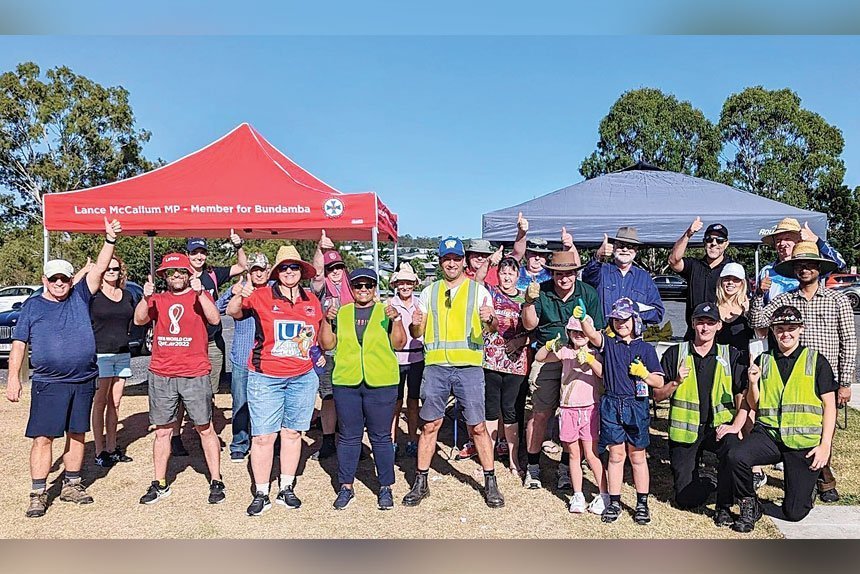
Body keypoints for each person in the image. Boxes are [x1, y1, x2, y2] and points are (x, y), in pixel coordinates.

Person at [6, 217, 121, 518]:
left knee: (77, 433)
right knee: (43, 437)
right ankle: (38, 492)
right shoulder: (32, 306)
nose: (59, 283)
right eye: (54, 278)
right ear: (45, 280)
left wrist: (109, 240)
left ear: (71, 280)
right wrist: (13, 380)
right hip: (49, 383)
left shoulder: (80, 296)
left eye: (64, 279)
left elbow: (98, 268)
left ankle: (72, 484)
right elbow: (19, 344)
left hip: (83, 380)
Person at [401, 236, 505, 509]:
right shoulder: (429, 292)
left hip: (469, 367)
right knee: (430, 425)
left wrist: (490, 319)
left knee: (478, 427)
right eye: (446, 259)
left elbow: (492, 328)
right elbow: (417, 333)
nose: (451, 263)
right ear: (440, 262)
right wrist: (415, 325)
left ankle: (490, 481)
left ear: (463, 261)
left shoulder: (478, 291)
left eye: (456, 259)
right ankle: (420, 482)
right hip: (436, 367)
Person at [749, 241, 855, 503]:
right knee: (798, 428)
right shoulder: (785, 300)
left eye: (809, 264)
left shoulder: (837, 300)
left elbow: (849, 341)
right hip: (791, 374)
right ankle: (811, 477)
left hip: (823, 376)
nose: (804, 269)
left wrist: (845, 381)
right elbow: (758, 322)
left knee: (822, 428)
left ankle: (824, 479)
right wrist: (758, 296)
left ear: (819, 268)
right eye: (799, 265)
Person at [227, 245, 323, 516]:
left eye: (294, 267)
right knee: (263, 436)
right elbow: (234, 312)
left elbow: (312, 338)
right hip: (265, 376)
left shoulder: (311, 300)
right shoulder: (260, 295)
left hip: (302, 377)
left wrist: (317, 359)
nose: (289, 272)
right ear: (276, 272)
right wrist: (239, 294)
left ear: (301, 271)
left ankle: (287, 487)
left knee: (292, 433)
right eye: (284, 268)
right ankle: (261, 492)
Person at [724, 305, 837, 532]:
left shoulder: (816, 361)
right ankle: (749, 504)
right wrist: (753, 383)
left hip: (803, 442)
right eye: (780, 329)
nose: (786, 333)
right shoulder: (763, 360)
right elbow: (754, 404)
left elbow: (830, 406)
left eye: (791, 328)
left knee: (794, 513)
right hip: (770, 435)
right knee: (737, 455)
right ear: (773, 332)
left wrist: (825, 446)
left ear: (801, 329)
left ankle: (809, 486)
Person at [133, 253, 225, 506]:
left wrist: (201, 292)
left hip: (194, 371)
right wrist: (145, 297)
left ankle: (216, 480)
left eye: (181, 271)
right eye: (171, 272)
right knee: (162, 431)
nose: (176, 275)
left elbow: (215, 319)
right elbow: (139, 319)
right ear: (164, 275)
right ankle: (160, 482)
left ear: (189, 274)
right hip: (162, 372)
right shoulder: (158, 299)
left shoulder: (199, 295)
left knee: (204, 427)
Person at [319, 268, 407, 510]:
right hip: (347, 382)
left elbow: (399, 344)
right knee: (348, 436)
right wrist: (327, 320)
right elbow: (327, 344)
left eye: (369, 285)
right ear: (352, 288)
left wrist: (397, 320)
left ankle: (385, 487)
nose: (364, 290)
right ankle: (345, 486)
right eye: (358, 286)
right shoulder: (341, 312)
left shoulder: (386, 311)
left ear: (375, 288)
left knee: (381, 437)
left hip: (381, 382)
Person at [655, 302, 749, 526]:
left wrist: (737, 426)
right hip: (686, 429)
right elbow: (658, 395)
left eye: (710, 323)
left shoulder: (731, 355)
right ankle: (710, 480)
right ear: (692, 324)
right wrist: (676, 381)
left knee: (734, 452)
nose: (704, 328)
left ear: (719, 326)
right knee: (685, 498)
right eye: (700, 322)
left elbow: (743, 396)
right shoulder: (675, 353)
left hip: (719, 427)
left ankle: (725, 504)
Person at [521, 250, 603, 491]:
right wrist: (528, 302)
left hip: (579, 358)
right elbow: (529, 324)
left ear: (575, 274)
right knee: (541, 414)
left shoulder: (587, 292)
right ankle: (533, 468)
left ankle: (567, 468)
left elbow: (597, 332)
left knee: (576, 416)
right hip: (549, 356)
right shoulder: (542, 291)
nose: (563, 279)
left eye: (568, 274)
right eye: (559, 274)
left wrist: (587, 353)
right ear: (552, 273)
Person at [578, 297, 664, 525]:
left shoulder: (645, 349)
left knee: (637, 456)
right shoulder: (610, 344)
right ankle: (614, 502)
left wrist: (644, 374)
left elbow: (658, 381)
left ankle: (642, 503)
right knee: (616, 456)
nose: (620, 323)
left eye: (625, 319)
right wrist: (583, 319)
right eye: (616, 319)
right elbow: (592, 335)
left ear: (635, 320)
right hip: (612, 404)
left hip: (636, 405)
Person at [173, 232, 247, 456]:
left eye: (202, 252)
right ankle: (176, 436)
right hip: (186, 343)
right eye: (194, 252)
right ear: (187, 255)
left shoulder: (213, 274)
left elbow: (242, 266)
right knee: (180, 390)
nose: (199, 257)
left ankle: (207, 431)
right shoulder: (179, 275)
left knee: (209, 390)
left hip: (212, 340)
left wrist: (239, 246)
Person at [535, 316, 608, 515]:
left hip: (589, 409)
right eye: (575, 332)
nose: (579, 335)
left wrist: (591, 360)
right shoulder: (565, 352)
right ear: (569, 333)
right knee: (573, 455)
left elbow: (603, 374)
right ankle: (578, 495)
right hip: (567, 409)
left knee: (592, 455)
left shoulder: (596, 352)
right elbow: (539, 358)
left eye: (583, 332)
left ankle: (604, 495)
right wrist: (549, 346)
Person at [471, 257, 530, 476]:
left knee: (511, 410)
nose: (506, 277)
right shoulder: (490, 293)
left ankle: (514, 460)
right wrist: (488, 262)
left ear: (518, 276)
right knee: (491, 409)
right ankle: (489, 458)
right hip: (492, 360)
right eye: (503, 272)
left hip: (515, 362)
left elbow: (534, 327)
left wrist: (520, 341)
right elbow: (476, 281)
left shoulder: (527, 298)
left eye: (511, 273)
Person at [215, 252, 270, 463]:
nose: (258, 274)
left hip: (266, 357)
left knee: (266, 403)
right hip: (242, 355)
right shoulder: (241, 290)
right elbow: (218, 309)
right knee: (240, 402)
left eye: (262, 270)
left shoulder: (274, 289)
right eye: (254, 270)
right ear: (249, 272)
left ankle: (267, 442)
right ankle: (239, 443)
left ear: (268, 271)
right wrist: (233, 291)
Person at [90, 254, 136, 468]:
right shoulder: (93, 295)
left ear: (120, 272)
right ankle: (99, 451)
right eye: (107, 268)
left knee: (115, 403)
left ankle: (112, 447)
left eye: (115, 269)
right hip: (101, 354)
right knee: (100, 402)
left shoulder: (126, 295)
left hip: (122, 353)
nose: (111, 272)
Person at [311, 230, 350, 461]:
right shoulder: (321, 289)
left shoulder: (352, 290)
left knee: (348, 397)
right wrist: (320, 249)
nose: (335, 273)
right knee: (328, 397)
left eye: (338, 268)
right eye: (330, 269)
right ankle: (327, 441)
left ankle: (348, 438)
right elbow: (316, 274)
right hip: (327, 352)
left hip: (349, 352)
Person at [582, 226, 664, 325]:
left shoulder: (644, 277)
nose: (625, 249)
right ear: (614, 248)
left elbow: (658, 313)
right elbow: (587, 276)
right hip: (603, 336)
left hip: (633, 338)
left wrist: (634, 309)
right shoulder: (601, 271)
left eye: (630, 246)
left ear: (636, 250)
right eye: (621, 245)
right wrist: (598, 256)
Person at [667, 218, 733, 339]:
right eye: (709, 239)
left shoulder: (733, 269)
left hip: (723, 334)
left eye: (720, 240)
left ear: (726, 244)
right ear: (704, 242)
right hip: (695, 332)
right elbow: (673, 261)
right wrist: (688, 234)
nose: (714, 243)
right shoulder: (694, 265)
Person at [758, 218, 845, 305]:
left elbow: (840, 263)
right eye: (778, 240)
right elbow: (757, 308)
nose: (782, 243)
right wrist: (760, 292)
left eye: (788, 238)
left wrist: (817, 240)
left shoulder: (812, 269)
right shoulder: (766, 271)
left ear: (799, 241)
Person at [388, 263, 425, 458]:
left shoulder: (421, 304)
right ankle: (392, 441)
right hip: (395, 358)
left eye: (409, 283)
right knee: (395, 402)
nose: (405, 287)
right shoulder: (389, 304)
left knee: (413, 401)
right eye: (401, 283)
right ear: (396, 285)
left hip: (417, 358)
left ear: (414, 284)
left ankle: (412, 438)